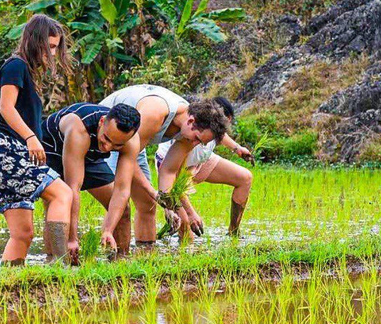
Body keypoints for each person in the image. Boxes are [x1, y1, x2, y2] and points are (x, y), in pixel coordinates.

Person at [0, 14, 74, 267]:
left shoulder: (25, 71)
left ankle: (8, 285)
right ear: (34, 40)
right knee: (63, 193)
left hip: (1, 153)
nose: (52, 53)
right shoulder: (15, 66)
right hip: (3, 149)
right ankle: (59, 265)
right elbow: (6, 107)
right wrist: (31, 137)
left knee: (22, 234)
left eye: (56, 48)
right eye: (49, 46)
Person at [99, 85, 231, 248]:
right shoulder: (155, 113)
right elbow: (128, 158)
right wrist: (153, 192)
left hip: (135, 143)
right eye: (197, 138)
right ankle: (115, 256)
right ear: (191, 122)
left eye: (200, 142)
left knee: (147, 205)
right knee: (119, 201)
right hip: (112, 135)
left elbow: (168, 171)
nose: (195, 144)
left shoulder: (189, 134)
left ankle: (145, 254)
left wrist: (170, 205)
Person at [42, 102, 141, 261]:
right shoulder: (79, 127)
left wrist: (108, 229)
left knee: (123, 209)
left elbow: (122, 190)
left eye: (117, 145)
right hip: (52, 149)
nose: (108, 148)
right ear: (102, 122)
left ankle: (121, 260)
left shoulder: (131, 141)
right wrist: (72, 238)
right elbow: (73, 187)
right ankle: (55, 261)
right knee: (58, 206)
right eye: (106, 138)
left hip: (90, 154)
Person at [155, 97, 254, 240]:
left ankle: (234, 232)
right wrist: (190, 213)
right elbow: (173, 179)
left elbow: (222, 135)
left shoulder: (215, 129)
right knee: (187, 232)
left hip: (200, 161)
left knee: (245, 178)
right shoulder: (190, 135)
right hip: (173, 169)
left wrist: (237, 148)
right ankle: (170, 223)